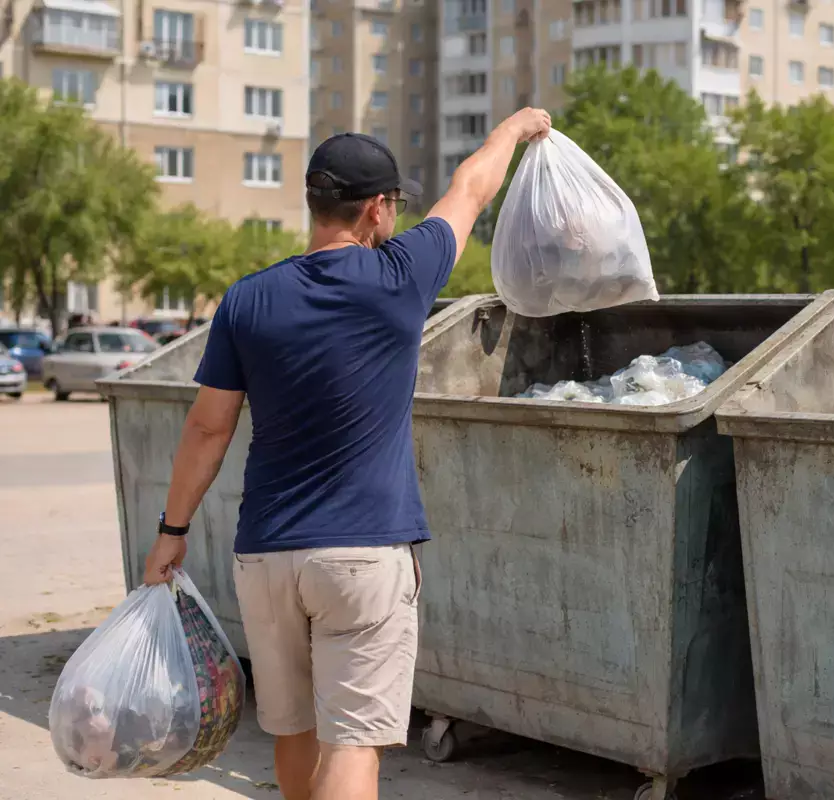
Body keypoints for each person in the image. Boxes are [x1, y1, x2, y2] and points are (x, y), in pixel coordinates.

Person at [140, 107, 552, 800]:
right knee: (355, 746)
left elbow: (207, 430)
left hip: (267, 556)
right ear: (379, 209)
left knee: (296, 735)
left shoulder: (247, 300)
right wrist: (514, 130)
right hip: (364, 555)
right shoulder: (401, 276)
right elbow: (473, 189)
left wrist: (171, 532)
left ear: (315, 202)